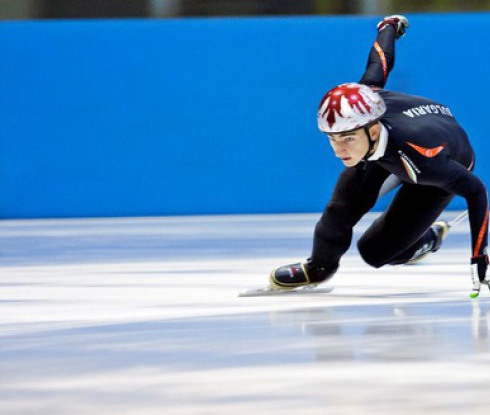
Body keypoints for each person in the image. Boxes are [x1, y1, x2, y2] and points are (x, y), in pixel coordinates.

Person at [270, 15, 489, 297]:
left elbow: (475, 190)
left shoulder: (424, 161)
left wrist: (480, 257)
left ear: (372, 131)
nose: (339, 150)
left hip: (441, 156)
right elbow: (379, 61)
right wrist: (389, 27)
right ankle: (319, 267)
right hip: (392, 142)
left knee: (375, 252)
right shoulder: (366, 97)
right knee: (340, 209)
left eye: (347, 139)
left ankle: (430, 237)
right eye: (332, 139)